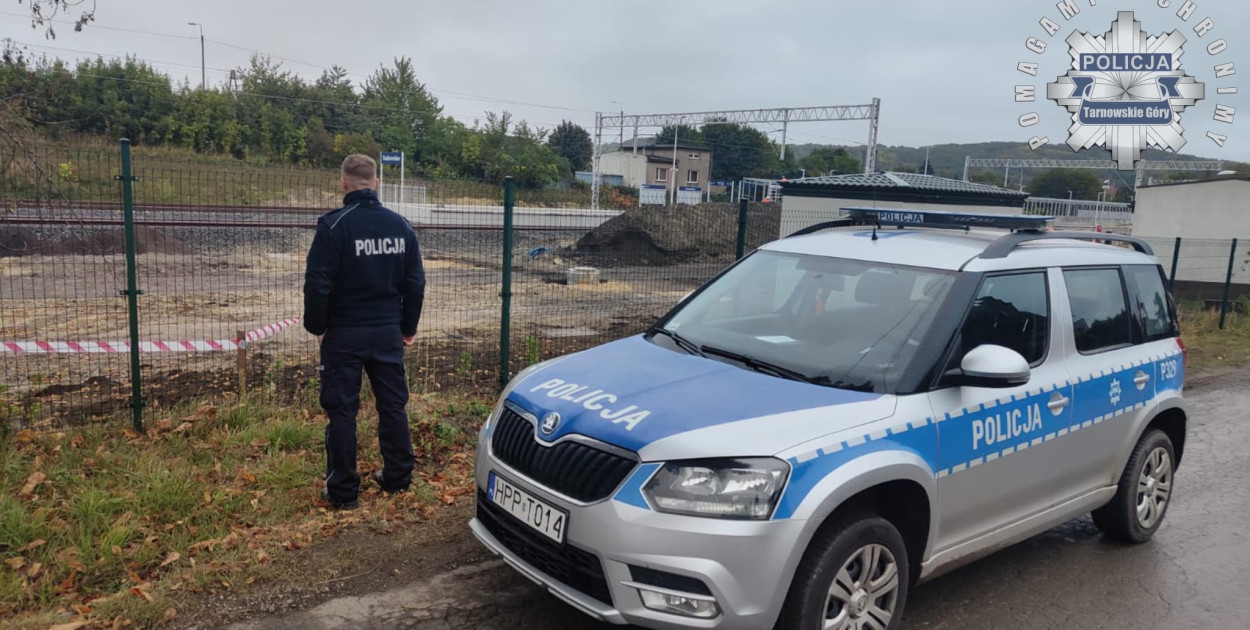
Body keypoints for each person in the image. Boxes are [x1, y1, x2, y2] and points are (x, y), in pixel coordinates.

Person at [303, 154, 425, 510]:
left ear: (343, 183)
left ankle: (342, 491)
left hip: (344, 334)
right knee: (393, 405)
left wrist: (318, 327)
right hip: (387, 331)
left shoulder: (334, 227)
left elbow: (317, 284)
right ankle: (398, 477)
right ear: (377, 183)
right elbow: (415, 283)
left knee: (342, 411)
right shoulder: (401, 226)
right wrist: (407, 328)